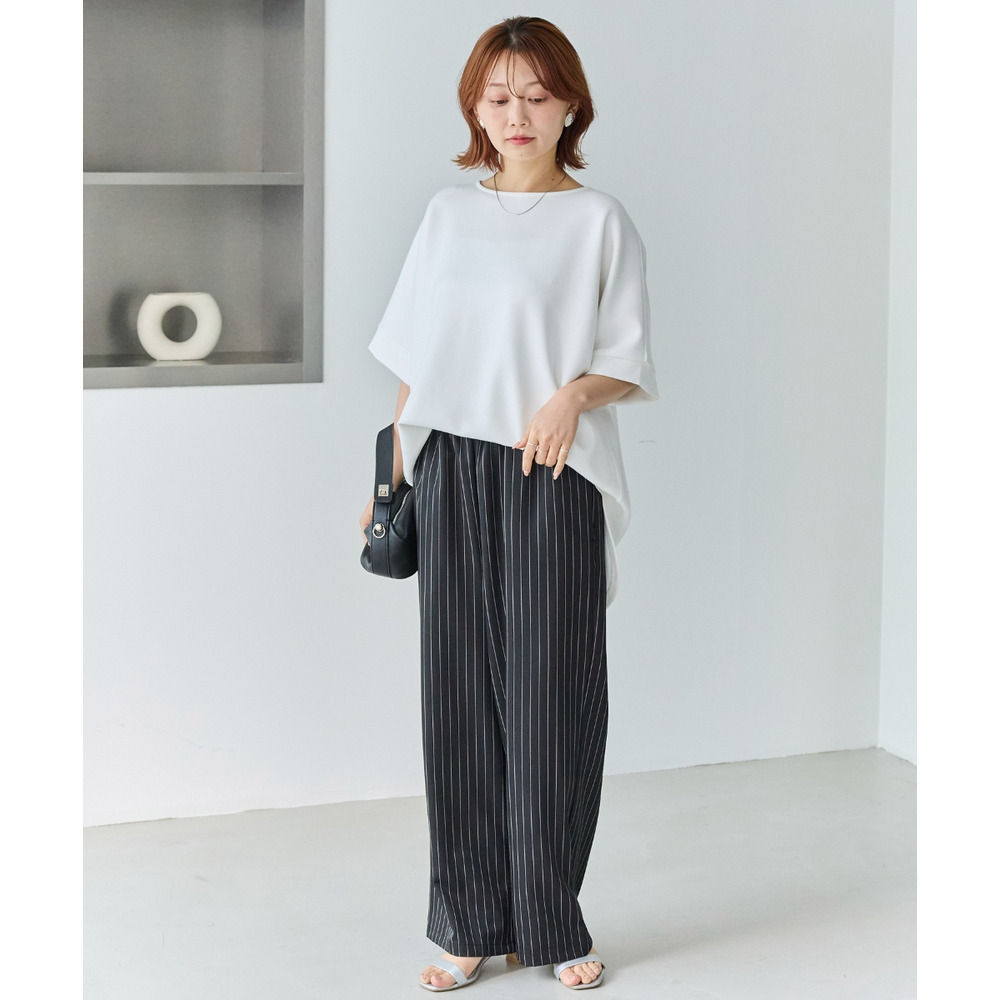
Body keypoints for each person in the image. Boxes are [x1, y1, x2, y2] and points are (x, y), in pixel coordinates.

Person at [360, 16, 657, 992]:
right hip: (451, 469)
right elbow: (416, 362)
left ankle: (550, 920)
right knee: (456, 701)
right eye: (497, 97)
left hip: (552, 473)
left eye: (535, 95)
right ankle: (467, 923)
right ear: (475, 109)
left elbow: (624, 359)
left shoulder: (599, 221)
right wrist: (390, 480)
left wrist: (570, 397)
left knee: (550, 702)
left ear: (570, 105)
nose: (516, 113)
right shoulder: (447, 215)